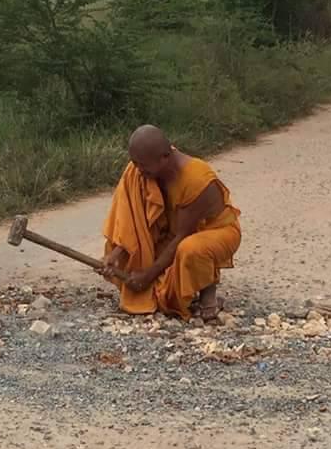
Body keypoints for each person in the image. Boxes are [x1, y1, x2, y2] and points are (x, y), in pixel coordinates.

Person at [101, 125, 242, 321]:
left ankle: (208, 293)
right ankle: (168, 285)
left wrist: (148, 275)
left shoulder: (197, 179)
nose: (139, 170)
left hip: (215, 233)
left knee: (191, 249)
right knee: (133, 255)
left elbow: (182, 236)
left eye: (143, 165)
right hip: (171, 235)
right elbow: (135, 224)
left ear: (165, 157)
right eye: (135, 163)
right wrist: (116, 253)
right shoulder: (141, 170)